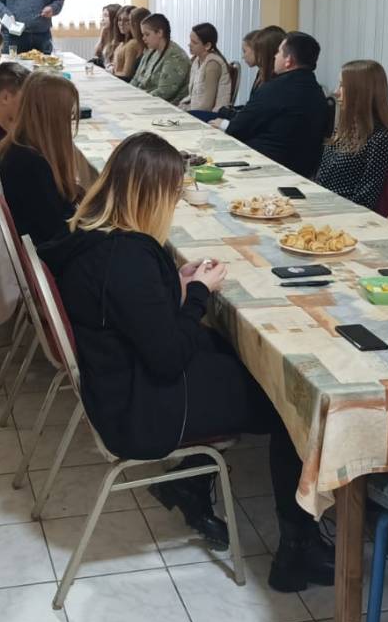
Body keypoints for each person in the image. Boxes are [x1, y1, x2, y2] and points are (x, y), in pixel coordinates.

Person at [39, 132, 335, 592]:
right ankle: (298, 548)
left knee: (234, 355)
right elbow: (168, 356)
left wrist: (173, 285)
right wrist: (197, 295)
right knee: (290, 398)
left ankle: (189, 484)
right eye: (173, 195)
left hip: (117, 381)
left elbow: (132, 314)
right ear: (152, 195)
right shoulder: (127, 257)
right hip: (139, 409)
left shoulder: (91, 234)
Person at [214, 32, 331, 178]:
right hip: (304, 170)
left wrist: (222, 123)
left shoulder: (276, 88)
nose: (275, 56)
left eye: (279, 52)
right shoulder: (317, 91)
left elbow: (237, 128)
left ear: (288, 60)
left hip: (266, 166)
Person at [0, 73, 80, 246]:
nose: (69, 126)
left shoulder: (16, 147)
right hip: (52, 257)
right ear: (53, 119)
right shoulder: (31, 165)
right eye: (68, 117)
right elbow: (57, 233)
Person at [314, 59, 388, 212]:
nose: (336, 91)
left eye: (343, 86)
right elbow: (322, 177)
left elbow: (366, 198)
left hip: (343, 213)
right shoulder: (346, 126)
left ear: (361, 92)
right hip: (322, 203)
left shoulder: (379, 138)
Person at [129, 13, 191, 104]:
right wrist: (128, 94)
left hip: (164, 105)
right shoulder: (151, 51)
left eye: (147, 34)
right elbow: (136, 79)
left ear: (159, 33)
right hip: (145, 99)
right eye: (143, 34)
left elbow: (165, 92)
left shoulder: (176, 57)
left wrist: (138, 98)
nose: (143, 38)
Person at [179, 22, 233, 114]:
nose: (189, 45)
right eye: (190, 41)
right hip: (196, 110)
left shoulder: (212, 65)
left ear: (207, 46)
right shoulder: (196, 60)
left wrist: (187, 112)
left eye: (194, 42)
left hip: (210, 115)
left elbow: (207, 106)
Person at [113, 7, 148, 80]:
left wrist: (110, 72)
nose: (121, 23)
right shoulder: (121, 43)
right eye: (119, 20)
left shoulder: (133, 44)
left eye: (126, 20)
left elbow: (126, 74)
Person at [92, 4, 123, 68]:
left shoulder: (119, 40)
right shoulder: (106, 34)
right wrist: (101, 35)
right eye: (102, 16)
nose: (102, 19)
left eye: (106, 16)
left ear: (114, 18)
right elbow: (96, 54)